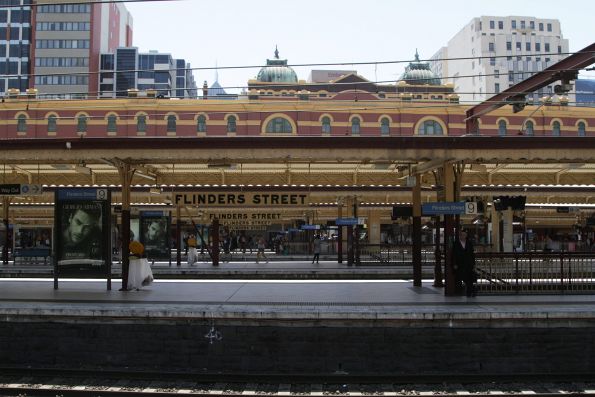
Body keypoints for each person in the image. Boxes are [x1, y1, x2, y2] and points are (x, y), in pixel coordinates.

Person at [452, 229, 476, 297]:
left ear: (466, 236)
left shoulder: (469, 243)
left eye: (464, 235)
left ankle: (469, 292)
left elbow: (472, 254)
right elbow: (454, 254)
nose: (462, 236)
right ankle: (460, 291)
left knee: (469, 279)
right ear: (459, 236)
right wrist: (454, 264)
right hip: (459, 264)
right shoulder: (456, 243)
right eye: (461, 235)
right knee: (460, 277)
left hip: (468, 264)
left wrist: (473, 264)